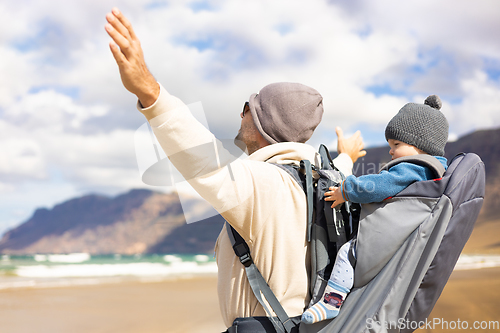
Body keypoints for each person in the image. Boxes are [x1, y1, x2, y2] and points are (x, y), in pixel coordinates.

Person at [104, 8, 366, 332]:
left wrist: (150, 93)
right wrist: (347, 157)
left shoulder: (261, 185)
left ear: (260, 124)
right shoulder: (323, 180)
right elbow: (337, 168)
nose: (240, 115)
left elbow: (202, 157)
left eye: (247, 109)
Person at [301, 95, 449, 324]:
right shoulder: (433, 171)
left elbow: (378, 186)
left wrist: (346, 190)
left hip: (383, 237)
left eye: (396, 145)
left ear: (421, 146)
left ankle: (332, 301)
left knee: (347, 254)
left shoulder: (411, 169)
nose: (391, 152)